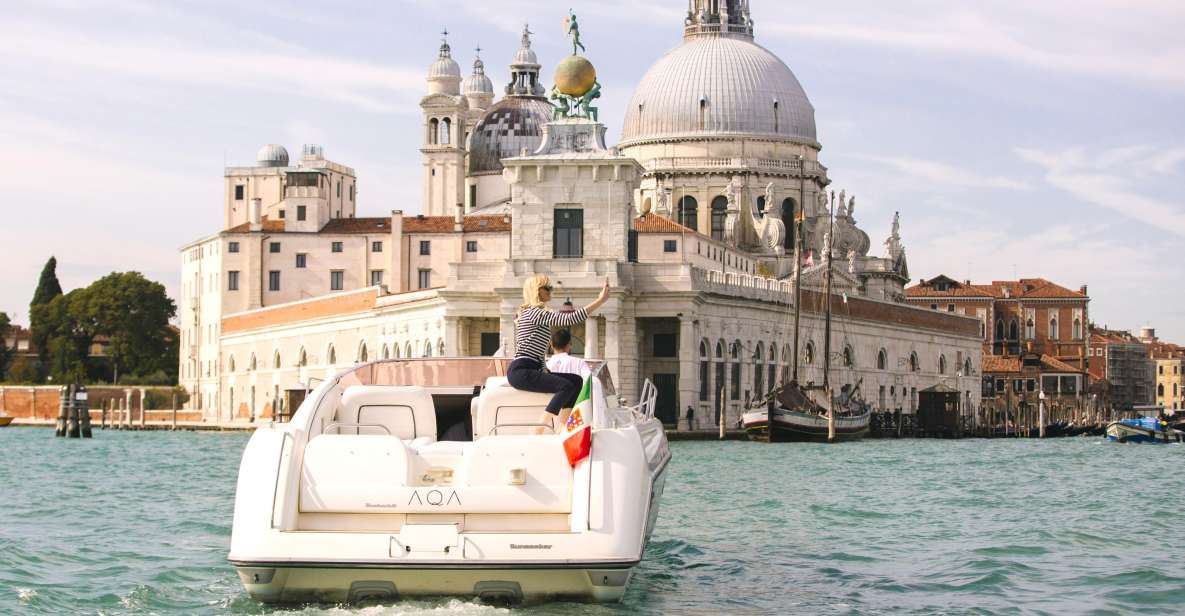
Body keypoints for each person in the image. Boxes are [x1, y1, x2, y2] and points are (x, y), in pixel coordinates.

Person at [510, 274, 609, 433]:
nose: (551, 291)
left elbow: (539, 354)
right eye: (547, 288)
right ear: (537, 291)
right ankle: (539, 429)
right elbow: (569, 319)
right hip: (522, 370)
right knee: (565, 386)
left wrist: (546, 371)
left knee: (576, 381)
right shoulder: (534, 313)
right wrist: (600, 301)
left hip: (530, 368)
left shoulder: (535, 314)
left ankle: (563, 428)